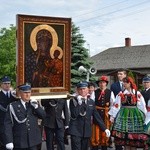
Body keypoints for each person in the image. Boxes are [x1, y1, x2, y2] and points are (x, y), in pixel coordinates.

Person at [67, 81, 110, 150]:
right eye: (80, 89)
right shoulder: (73, 101)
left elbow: (97, 117)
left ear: (88, 90)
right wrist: (79, 103)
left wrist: (104, 128)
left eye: (84, 89)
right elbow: (74, 114)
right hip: (76, 130)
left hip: (86, 131)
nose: (82, 91)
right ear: (78, 90)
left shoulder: (91, 101)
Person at [109, 76, 148, 150]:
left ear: (130, 83)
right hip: (123, 116)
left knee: (133, 137)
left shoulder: (136, 93)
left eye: (126, 82)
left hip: (135, 116)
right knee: (124, 138)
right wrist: (113, 116)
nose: (124, 84)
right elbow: (117, 105)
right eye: (123, 82)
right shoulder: (121, 93)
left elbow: (142, 105)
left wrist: (145, 116)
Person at [4, 83, 46, 150]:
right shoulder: (13, 106)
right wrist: (9, 141)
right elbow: (7, 125)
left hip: (33, 141)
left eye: (29, 92)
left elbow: (43, 116)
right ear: (20, 93)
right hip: (19, 141)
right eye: (25, 93)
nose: (28, 95)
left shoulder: (34, 104)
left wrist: (37, 107)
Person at [91, 76, 115, 150]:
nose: (102, 84)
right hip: (96, 113)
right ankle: (95, 145)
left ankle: (105, 145)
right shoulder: (94, 92)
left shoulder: (110, 92)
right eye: (100, 83)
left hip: (106, 114)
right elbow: (92, 103)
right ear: (98, 84)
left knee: (105, 131)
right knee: (96, 131)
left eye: (103, 83)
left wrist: (110, 114)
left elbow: (113, 104)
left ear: (106, 84)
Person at [110, 69, 127, 150]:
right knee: (118, 130)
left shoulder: (129, 85)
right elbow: (113, 100)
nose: (119, 75)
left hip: (128, 111)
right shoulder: (113, 86)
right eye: (118, 74)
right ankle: (118, 146)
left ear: (125, 75)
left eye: (121, 74)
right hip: (117, 111)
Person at [0, 76, 17, 150]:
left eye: (9, 83)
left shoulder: (15, 95)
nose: (7, 85)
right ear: (1, 84)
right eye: (5, 83)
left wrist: (15, 96)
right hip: (2, 123)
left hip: (14, 123)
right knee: (4, 145)